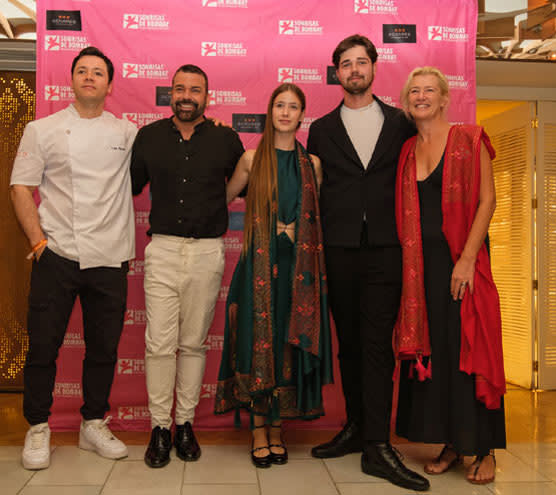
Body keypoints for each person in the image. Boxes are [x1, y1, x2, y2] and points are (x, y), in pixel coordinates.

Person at [306, 34, 428, 491]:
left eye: (362, 62)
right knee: (350, 345)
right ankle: (357, 427)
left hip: (386, 248)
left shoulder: (401, 122)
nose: (354, 70)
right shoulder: (319, 129)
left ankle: (378, 443)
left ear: (374, 68)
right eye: (346, 63)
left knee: (377, 346)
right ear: (336, 72)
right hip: (337, 250)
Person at [10, 46, 135, 470]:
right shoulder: (41, 129)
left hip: (110, 257)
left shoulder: (126, 133)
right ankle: (38, 427)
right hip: (57, 254)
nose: (89, 77)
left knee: (103, 349)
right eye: (82, 70)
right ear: (71, 80)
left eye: (98, 72)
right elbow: (20, 188)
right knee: (43, 346)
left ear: (109, 85)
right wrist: (39, 243)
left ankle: (93, 423)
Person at [393, 66, 506, 485]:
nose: (421, 96)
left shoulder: (469, 138)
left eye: (429, 90)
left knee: (470, 353)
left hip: (464, 264)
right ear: (407, 102)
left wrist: (467, 258)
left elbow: (487, 201)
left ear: (444, 99)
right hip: (421, 271)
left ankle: (486, 448)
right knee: (439, 356)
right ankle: (455, 442)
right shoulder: (406, 150)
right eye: (414, 91)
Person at [130, 64, 245, 468]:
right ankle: (159, 428)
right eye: (179, 88)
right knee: (159, 345)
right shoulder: (148, 138)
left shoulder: (226, 139)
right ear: (170, 94)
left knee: (193, 344)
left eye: (195, 90)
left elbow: (247, 180)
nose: (186, 96)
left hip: (207, 252)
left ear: (206, 97)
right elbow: (124, 187)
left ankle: (184, 425)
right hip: (161, 250)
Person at [214, 83, 333, 468]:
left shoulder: (312, 164)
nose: (285, 112)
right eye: (279, 105)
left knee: (285, 342)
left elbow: (319, 219)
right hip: (258, 271)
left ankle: (279, 429)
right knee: (254, 342)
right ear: (270, 110)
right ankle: (259, 430)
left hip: (299, 275)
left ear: (302, 115)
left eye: (293, 107)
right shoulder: (251, 159)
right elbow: (224, 197)